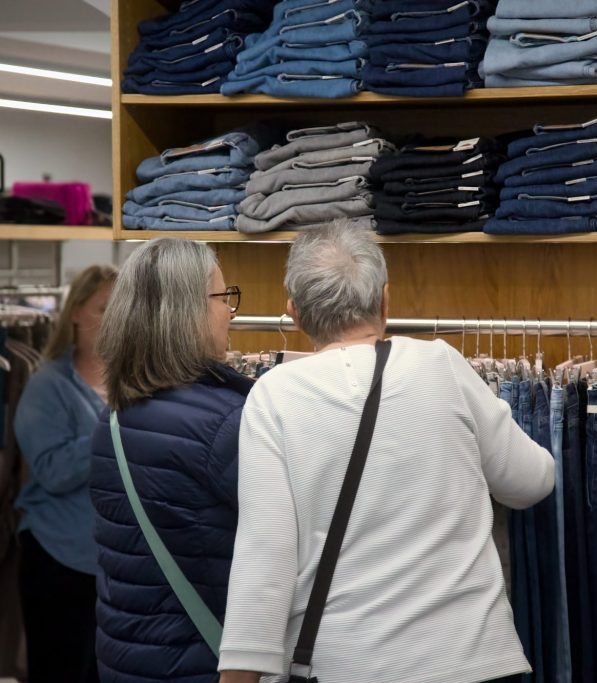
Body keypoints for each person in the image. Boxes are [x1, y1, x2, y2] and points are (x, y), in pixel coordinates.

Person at [218, 222, 555, 683]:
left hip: (345, 666)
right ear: (385, 300)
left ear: (295, 313)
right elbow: (533, 480)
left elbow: (265, 562)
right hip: (476, 660)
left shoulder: (274, 395)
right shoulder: (442, 365)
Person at [90, 238, 252, 683]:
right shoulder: (225, 425)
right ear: (186, 312)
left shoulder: (113, 417)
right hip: (196, 663)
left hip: (127, 656)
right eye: (222, 297)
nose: (230, 312)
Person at [14, 264, 118, 683]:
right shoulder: (47, 385)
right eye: (103, 309)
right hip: (59, 560)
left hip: (114, 566)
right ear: (75, 312)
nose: (112, 320)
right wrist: (116, 427)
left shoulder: (132, 382)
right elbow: (54, 471)